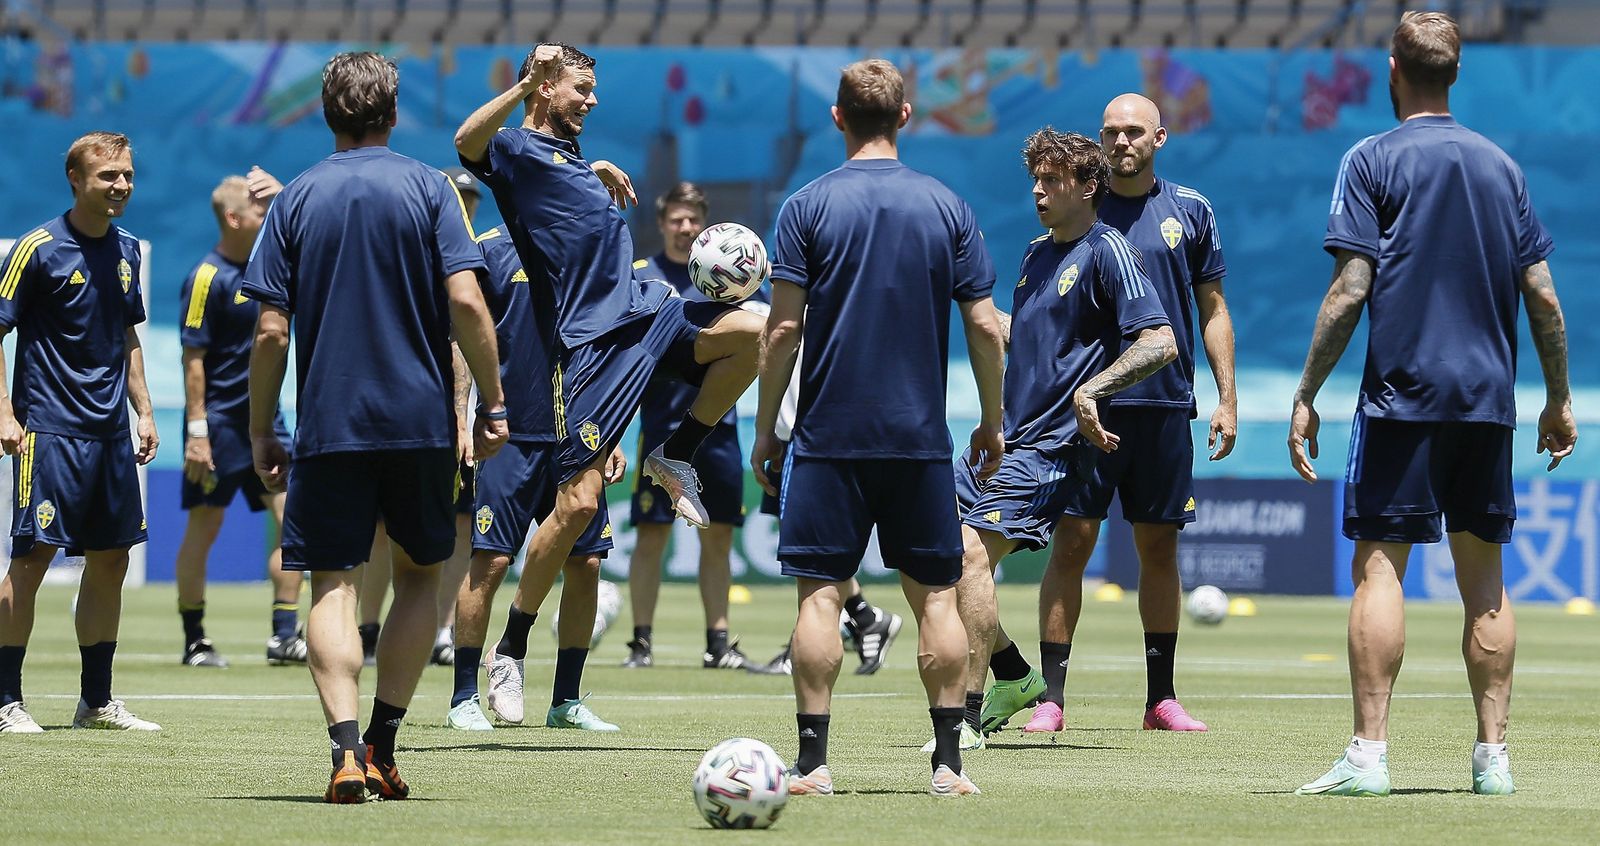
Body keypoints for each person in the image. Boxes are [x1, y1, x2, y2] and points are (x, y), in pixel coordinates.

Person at [1288, 12, 1575, 797]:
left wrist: (1307, 392)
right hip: (1488, 404)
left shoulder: (1371, 159)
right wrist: (1556, 398)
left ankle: (1368, 760)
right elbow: (1543, 299)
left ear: (1392, 70)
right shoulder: (1500, 166)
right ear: (1454, 74)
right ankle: (1494, 763)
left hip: (1402, 401)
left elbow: (1351, 289)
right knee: (1487, 581)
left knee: (1380, 569)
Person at [454, 43, 762, 699]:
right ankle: (508, 650)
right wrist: (520, 88)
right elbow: (467, 141)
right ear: (543, 86)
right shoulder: (514, 148)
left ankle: (676, 455)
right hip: (590, 343)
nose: (592, 100)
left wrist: (588, 170)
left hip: (642, 315)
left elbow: (560, 198)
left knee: (760, 334)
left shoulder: (565, 159)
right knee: (579, 508)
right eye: (581, 87)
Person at [243, 52, 508, 803]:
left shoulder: (294, 201)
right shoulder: (431, 189)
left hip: (330, 424)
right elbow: (466, 303)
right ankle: (386, 743)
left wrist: (262, 427)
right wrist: (489, 402)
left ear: (327, 114)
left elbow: (269, 333)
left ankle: (345, 748)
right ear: (394, 112)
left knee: (333, 580)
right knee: (422, 574)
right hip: (421, 421)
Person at [753, 58, 1006, 797]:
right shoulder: (946, 205)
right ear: (904, 116)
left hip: (828, 436)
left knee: (820, 596)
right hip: (919, 438)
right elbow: (986, 329)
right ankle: (949, 766)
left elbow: (780, 333)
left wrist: (767, 430)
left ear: (837, 118)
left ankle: (812, 764)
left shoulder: (805, 206)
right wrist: (993, 421)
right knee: (934, 596)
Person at [979, 94, 1234, 736]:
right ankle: (1051, 699)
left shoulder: (1191, 211)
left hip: (1165, 404)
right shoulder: (1072, 213)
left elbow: (1212, 309)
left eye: (1133, 132)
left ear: (1159, 137)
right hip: (1081, 419)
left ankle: (1161, 698)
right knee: (1072, 543)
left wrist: (1227, 397)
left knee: (1157, 546)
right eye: (1111, 133)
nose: (1122, 142)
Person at [943, 129, 1176, 751]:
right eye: (1035, 180)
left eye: (1052, 181)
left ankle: (965, 722)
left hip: (1052, 448)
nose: (1038, 191)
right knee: (936, 558)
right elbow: (1035, 340)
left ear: (1088, 186)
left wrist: (1089, 391)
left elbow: (1159, 341)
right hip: (1007, 438)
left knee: (969, 558)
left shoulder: (1109, 250)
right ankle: (1015, 675)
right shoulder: (1036, 254)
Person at [0, 131, 161, 734]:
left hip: (110, 435)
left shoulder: (126, 250)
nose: (121, 185)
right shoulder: (37, 249)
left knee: (112, 560)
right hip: (48, 433)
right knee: (32, 558)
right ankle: (5, 700)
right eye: (107, 176)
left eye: (126, 174)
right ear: (76, 179)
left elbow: (128, 337)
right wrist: (4, 413)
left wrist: (143, 412)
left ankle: (95, 701)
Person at [447, 219, 623, 733]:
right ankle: (463, 697)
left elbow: (608, 350)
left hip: (578, 436)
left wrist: (608, 436)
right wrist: (462, 415)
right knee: (493, 558)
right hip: (510, 433)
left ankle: (565, 700)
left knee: (587, 564)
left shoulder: (587, 249)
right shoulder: (489, 250)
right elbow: (460, 336)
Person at [623, 181, 760, 671]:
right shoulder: (643, 277)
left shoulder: (736, 280)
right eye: (676, 220)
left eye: (692, 220)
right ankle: (641, 642)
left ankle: (718, 642)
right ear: (661, 225)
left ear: (704, 227)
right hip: (660, 425)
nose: (684, 228)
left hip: (718, 430)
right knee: (651, 536)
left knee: (719, 535)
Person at [174, 168, 306, 670]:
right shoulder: (206, 277)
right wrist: (197, 433)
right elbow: (193, 360)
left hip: (267, 421)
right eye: (258, 207)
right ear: (234, 217)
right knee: (204, 530)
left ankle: (284, 634)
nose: (266, 214)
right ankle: (195, 639)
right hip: (220, 428)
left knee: (293, 522)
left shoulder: (267, 270)